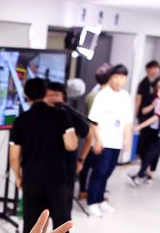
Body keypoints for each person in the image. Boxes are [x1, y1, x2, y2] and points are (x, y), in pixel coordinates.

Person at [10, 78, 78, 233]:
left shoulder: (21, 120)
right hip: (57, 180)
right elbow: (71, 145)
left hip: (32, 181)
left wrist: (18, 177)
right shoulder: (61, 116)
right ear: (45, 92)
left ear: (26, 96)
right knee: (61, 224)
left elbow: (14, 157)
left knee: (32, 227)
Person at [86, 64, 133, 217]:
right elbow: (93, 121)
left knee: (108, 171)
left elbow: (128, 120)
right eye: (116, 77)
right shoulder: (102, 95)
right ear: (111, 78)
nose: (119, 81)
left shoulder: (126, 96)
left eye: (122, 77)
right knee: (99, 171)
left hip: (117, 141)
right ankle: (92, 202)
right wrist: (98, 140)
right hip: (103, 140)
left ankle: (100, 200)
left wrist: (127, 138)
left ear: (126, 79)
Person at [46, 80, 94, 197]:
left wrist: (81, 160)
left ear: (63, 97)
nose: (52, 98)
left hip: (66, 165)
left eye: (56, 95)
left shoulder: (72, 115)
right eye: (49, 95)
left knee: (63, 199)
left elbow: (89, 136)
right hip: (44, 164)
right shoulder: (39, 115)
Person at [79, 65, 112, 200]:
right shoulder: (98, 96)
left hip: (95, 134)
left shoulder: (95, 94)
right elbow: (94, 120)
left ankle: (88, 190)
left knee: (90, 164)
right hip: (94, 135)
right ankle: (85, 191)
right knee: (90, 164)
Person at [129, 61, 160, 186]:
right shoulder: (143, 83)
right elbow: (138, 100)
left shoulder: (159, 83)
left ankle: (149, 172)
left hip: (157, 119)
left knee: (154, 148)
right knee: (144, 145)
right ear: (148, 69)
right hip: (145, 118)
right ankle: (145, 170)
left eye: (157, 68)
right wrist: (136, 116)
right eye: (153, 68)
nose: (156, 70)